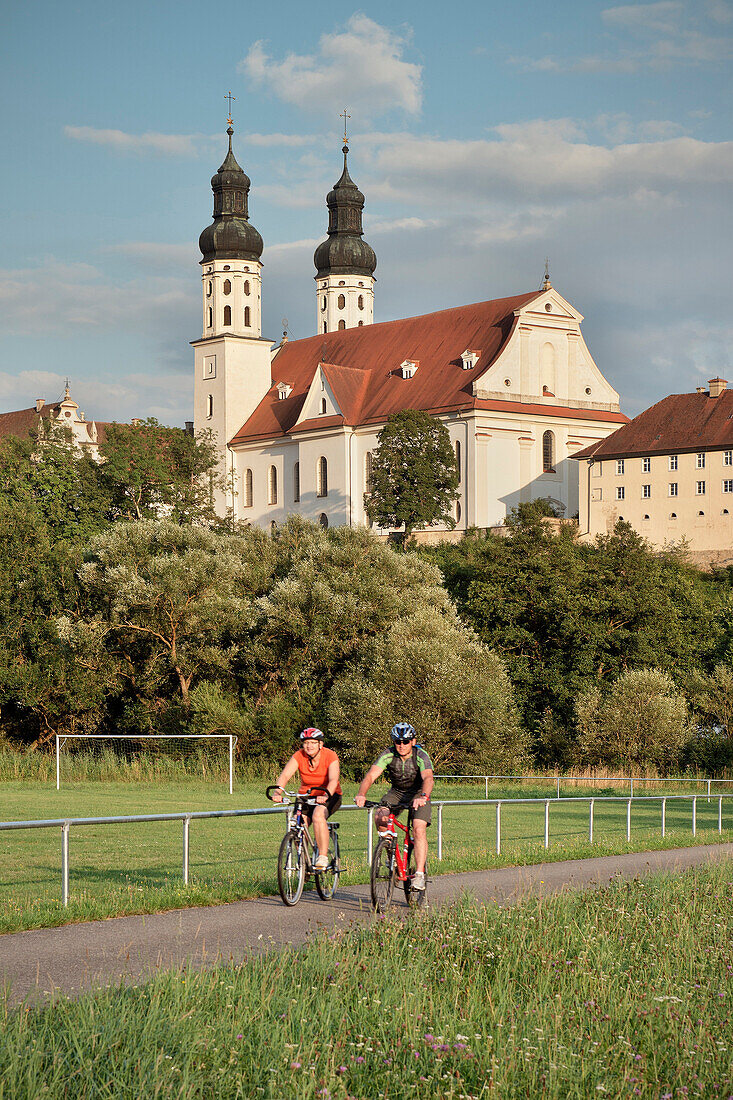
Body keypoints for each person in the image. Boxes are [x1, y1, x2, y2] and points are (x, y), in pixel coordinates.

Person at [354, 722, 434, 892]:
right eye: (398, 742)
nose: (401, 745)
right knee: (380, 815)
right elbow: (370, 776)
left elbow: (428, 778)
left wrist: (424, 797)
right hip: (397, 792)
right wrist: (361, 794)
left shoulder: (420, 755)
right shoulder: (388, 754)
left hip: (419, 793)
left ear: (413, 741)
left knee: (418, 828)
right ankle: (392, 857)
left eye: (406, 742)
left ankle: (419, 874)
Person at [272, 728, 342, 871]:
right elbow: (285, 775)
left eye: (313, 742)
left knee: (318, 815)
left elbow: (334, 779)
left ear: (320, 744)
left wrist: (326, 795)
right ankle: (304, 865)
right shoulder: (299, 756)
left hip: (329, 794)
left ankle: (322, 856)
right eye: (306, 743)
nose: (309, 746)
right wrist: (277, 791)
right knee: (298, 825)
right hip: (306, 795)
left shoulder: (330, 755)